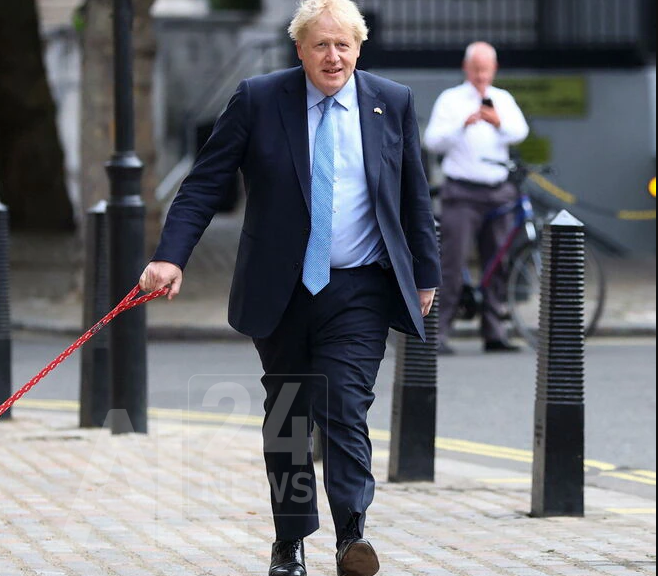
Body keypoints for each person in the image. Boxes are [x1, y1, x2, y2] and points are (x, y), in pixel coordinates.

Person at [139, 0, 440, 574]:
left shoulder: (390, 102)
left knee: (345, 403)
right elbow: (204, 184)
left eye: (344, 45)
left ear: (360, 48)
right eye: (321, 45)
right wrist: (170, 258)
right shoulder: (258, 98)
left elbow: (413, 192)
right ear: (299, 49)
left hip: (360, 286)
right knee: (288, 415)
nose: (333, 56)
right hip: (282, 287)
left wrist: (425, 272)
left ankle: (352, 535)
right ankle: (289, 542)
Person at [423, 41, 529, 355]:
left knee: (498, 262)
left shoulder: (503, 99)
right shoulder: (452, 100)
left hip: (498, 193)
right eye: (477, 69)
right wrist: (461, 125)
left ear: (494, 69)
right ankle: (439, 333)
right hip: (462, 194)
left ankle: (494, 332)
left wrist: (498, 122)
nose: (482, 75)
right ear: (466, 68)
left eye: (487, 69)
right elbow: (432, 141)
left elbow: (520, 132)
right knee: (452, 263)